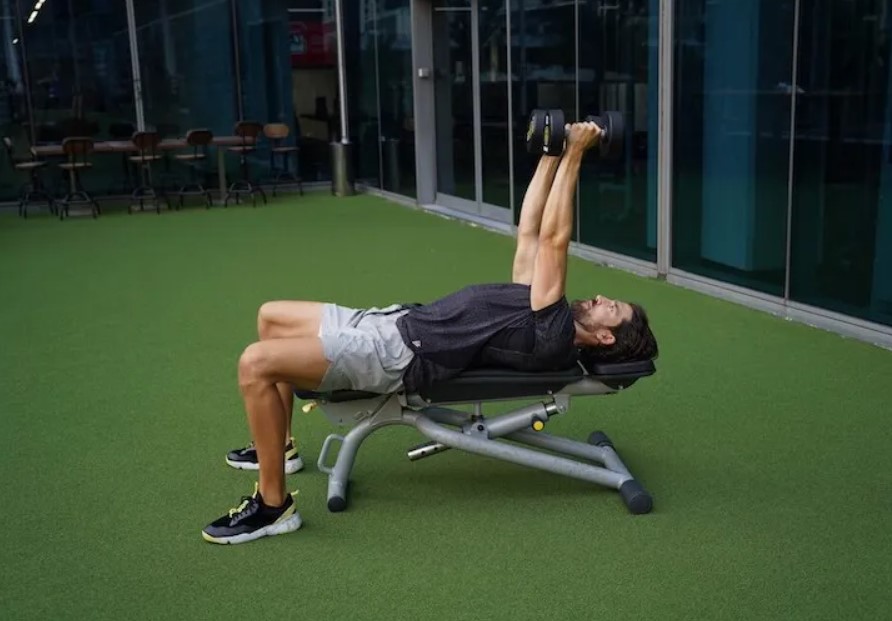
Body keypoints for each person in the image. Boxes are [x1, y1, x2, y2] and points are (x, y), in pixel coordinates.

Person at [201, 121, 659, 545]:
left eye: (610, 309)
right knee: (271, 318)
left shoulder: (554, 332)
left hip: (396, 355)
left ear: (604, 339)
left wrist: (577, 152)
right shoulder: (539, 306)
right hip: (393, 322)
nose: (600, 298)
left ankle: (273, 506)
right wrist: (550, 153)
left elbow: (557, 238)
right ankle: (277, 447)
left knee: (256, 361)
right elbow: (532, 234)